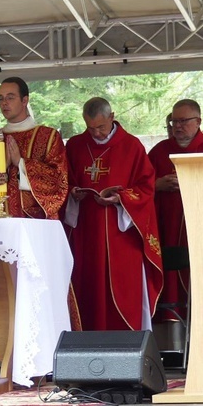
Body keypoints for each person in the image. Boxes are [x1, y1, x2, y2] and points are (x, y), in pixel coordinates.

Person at [64, 97, 162, 331]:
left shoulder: (132, 146)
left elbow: (146, 188)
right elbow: (64, 181)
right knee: (87, 290)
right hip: (86, 232)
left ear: (112, 117)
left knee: (122, 291)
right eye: (90, 128)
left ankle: (126, 346)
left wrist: (121, 198)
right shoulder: (76, 145)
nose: (96, 133)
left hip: (121, 237)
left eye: (101, 127)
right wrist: (73, 193)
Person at [0, 77, 68, 219]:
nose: (4, 103)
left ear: (25, 100)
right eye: (0, 98)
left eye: (10, 98)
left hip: (34, 222)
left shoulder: (48, 137)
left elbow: (58, 182)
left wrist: (21, 163)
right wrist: (1, 167)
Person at [148, 99, 203, 322]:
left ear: (198, 121)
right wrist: (157, 185)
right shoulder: (159, 152)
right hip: (167, 230)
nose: (177, 126)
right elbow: (140, 186)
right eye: (173, 121)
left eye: (183, 121)